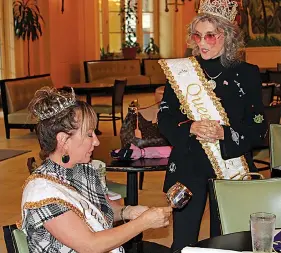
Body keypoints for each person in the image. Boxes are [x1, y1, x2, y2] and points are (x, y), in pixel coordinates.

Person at [157, 0, 267, 251]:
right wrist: (190, 128)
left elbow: (258, 125)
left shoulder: (247, 73)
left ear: (227, 37)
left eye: (210, 36)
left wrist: (224, 133)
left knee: (226, 241)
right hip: (188, 166)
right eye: (197, 35)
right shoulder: (181, 72)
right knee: (183, 242)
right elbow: (165, 118)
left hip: (230, 167)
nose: (202, 42)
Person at [19, 87, 172, 252]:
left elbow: (101, 209)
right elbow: (91, 245)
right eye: (89, 134)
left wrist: (128, 211)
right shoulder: (42, 191)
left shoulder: (83, 169)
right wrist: (143, 223)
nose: (97, 142)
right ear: (64, 140)